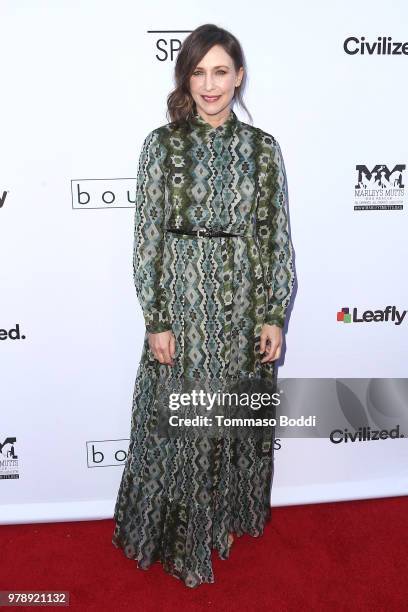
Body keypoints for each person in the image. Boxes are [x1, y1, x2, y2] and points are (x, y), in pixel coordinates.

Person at [112, 23, 296, 588]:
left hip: (241, 304)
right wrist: (157, 318)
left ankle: (222, 522)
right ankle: (177, 538)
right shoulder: (161, 146)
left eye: (221, 71)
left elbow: (274, 235)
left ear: (239, 77)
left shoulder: (262, 148)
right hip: (184, 305)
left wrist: (272, 312)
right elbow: (147, 238)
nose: (210, 85)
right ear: (185, 78)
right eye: (198, 72)